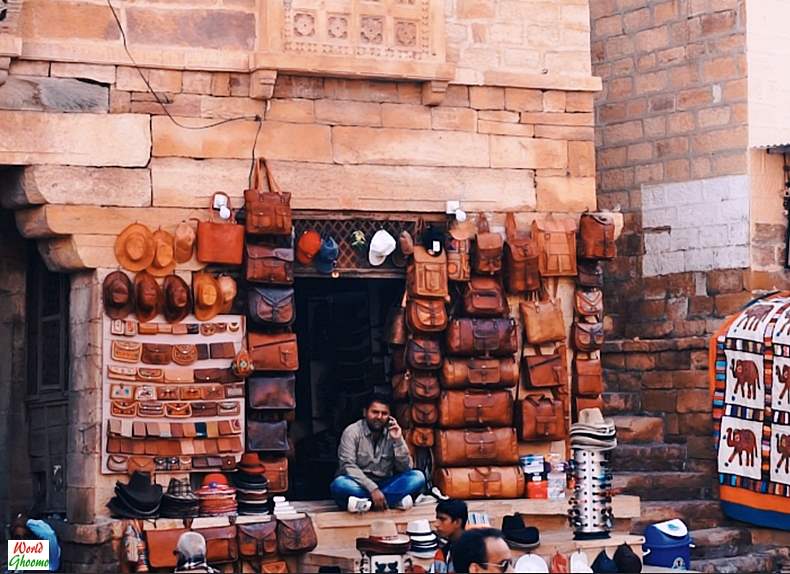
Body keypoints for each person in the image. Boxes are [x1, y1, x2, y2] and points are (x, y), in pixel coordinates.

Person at [330, 393, 426, 512]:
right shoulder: (352, 432)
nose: (379, 417)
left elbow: (406, 468)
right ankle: (392, 501)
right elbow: (347, 465)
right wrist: (373, 490)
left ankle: (365, 504)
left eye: (384, 413)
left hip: (386, 484)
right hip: (358, 485)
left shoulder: (393, 432)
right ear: (365, 413)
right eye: (374, 412)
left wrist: (398, 440)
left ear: (390, 416)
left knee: (418, 477)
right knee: (339, 484)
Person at [432, 499, 468, 573]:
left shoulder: (473, 553)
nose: (436, 524)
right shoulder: (442, 552)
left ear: (457, 522)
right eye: (437, 519)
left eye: (442, 519)